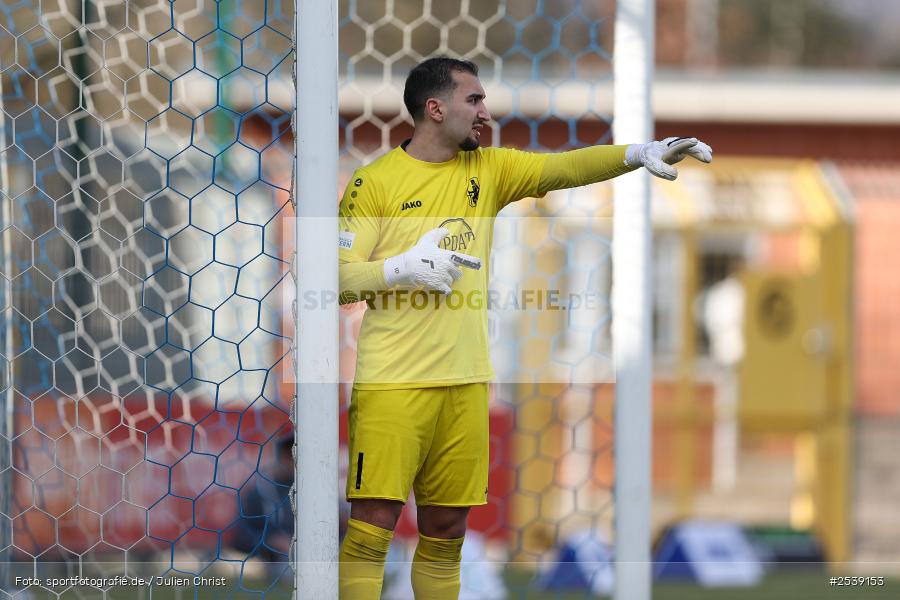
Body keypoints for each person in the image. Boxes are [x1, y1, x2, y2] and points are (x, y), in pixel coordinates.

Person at [337, 56, 712, 599]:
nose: (485, 112)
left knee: (447, 532)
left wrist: (638, 153)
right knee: (373, 528)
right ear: (435, 108)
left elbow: (564, 169)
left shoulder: (488, 170)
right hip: (393, 383)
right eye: (474, 100)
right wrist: (401, 268)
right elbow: (334, 279)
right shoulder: (373, 183)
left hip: (466, 384)